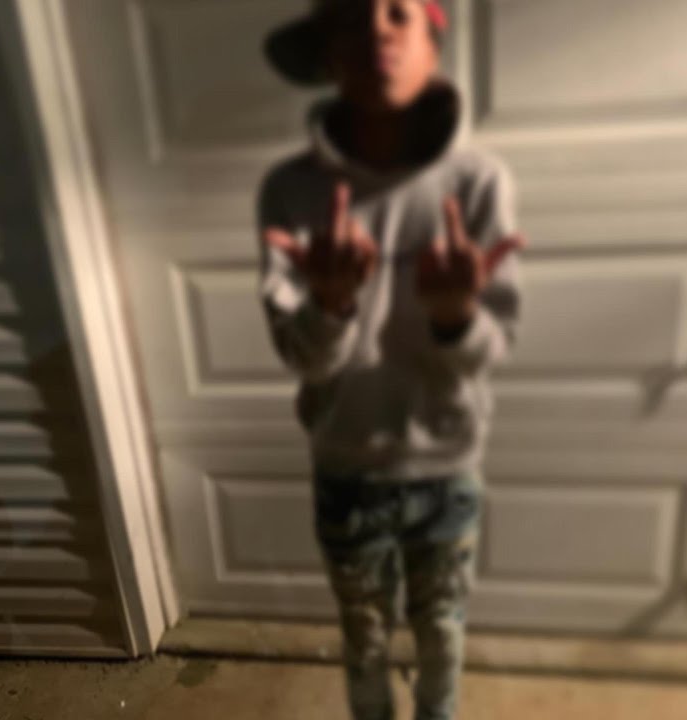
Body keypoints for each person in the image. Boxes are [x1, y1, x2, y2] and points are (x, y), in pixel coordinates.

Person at [256, 2, 524, 718]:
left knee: (443, 638)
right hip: (347, 470)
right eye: (353, 15)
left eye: (399, 11)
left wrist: (455, 317)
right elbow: (304, 359)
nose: (377, 27)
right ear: (327, 53)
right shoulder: (291, 190)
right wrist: (331, 305)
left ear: (433, 45)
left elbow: (494, 347)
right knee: (365, 640)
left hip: (447, 469)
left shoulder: (480, 182)